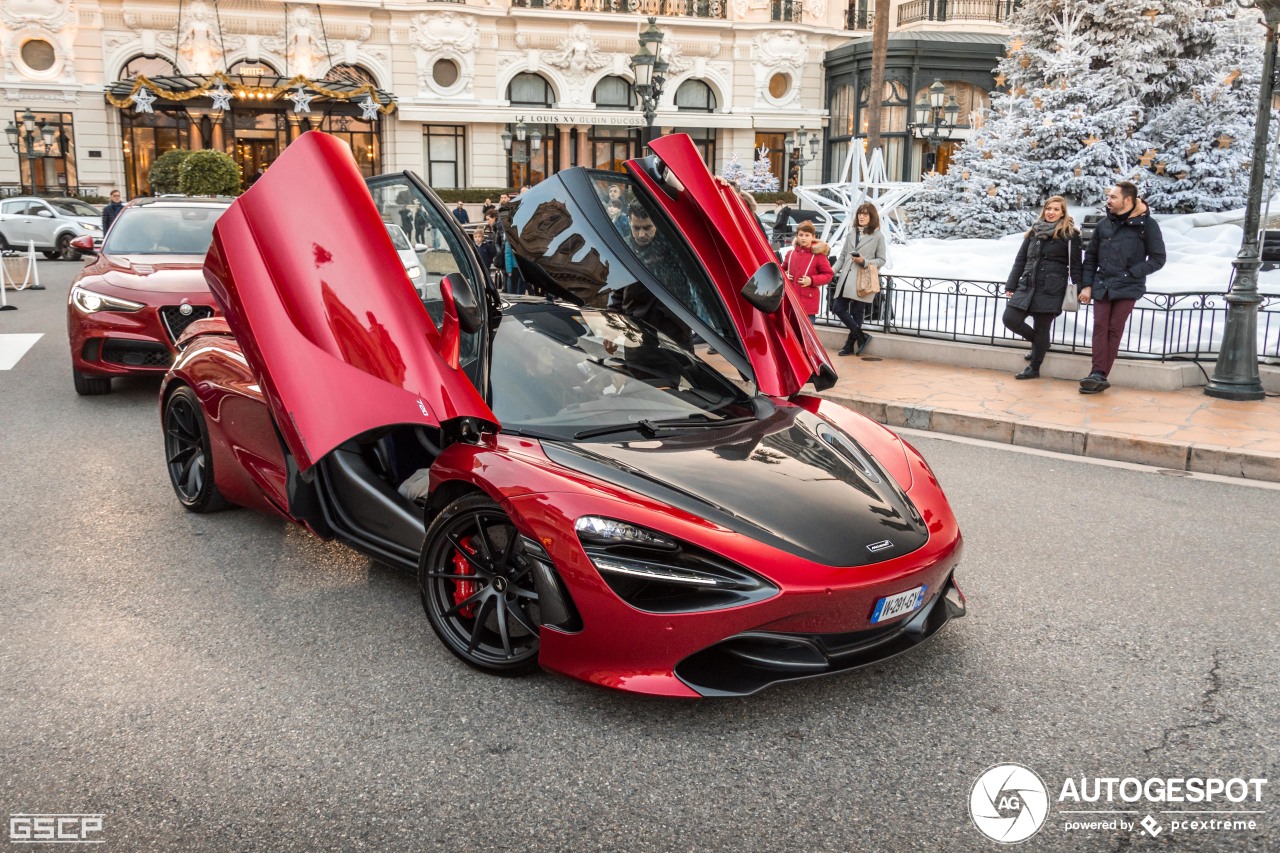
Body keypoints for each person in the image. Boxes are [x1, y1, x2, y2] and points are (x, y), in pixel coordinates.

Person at [1079, 181, 1166, 393]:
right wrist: (1086, 285)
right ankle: (1097, 374)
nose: (1108, 201)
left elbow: (1158, 258)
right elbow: (1090, 257)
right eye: (1108, 197)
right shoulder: (1104, 225)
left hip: (1128, 285)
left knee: (1114, 329)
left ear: (1127, 200)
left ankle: (1099, 375)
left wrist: (1132, 273)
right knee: (1100, 326)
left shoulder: (1147, 225)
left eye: (1112, 197)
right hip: (1102, 284)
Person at [1002, 196, 1083, 380]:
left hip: (1052, 288)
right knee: (1010, 319)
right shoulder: (1034, 232)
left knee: (1042, 328)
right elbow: (1021, 260)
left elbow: (1076, 265)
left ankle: (1034, 368)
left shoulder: (1070, 235)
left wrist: (1081, 288)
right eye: (1048, 208)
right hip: (1027, 285)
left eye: (1056, 209)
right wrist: (1011, 284)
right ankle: (1040, 344)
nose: (1051, 212)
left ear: (1063, 212)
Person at [609, 203, 692, 350]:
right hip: (637, 333)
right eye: (636, 228)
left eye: (647, 228)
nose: (641, 234)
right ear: (629, 222)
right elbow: (618, 293)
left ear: (657, 223)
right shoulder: (624, 249)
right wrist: (612, 329)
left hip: (674, 333)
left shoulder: (674, 246)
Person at [830, 202, 886, 356]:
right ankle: (861, 336)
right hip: (846, 278)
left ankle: (849, 345)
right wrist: (832, 270)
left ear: (872, 217)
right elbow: (842, 257)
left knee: (857, 311)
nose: (861, 216)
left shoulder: (877, 236)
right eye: (860, 213)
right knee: (838, 308)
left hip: (863, 278)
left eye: (865, 214)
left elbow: (881, 260)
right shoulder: (851, 233)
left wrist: (865, 262)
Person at [783, 221, 833, 322]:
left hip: (808, 303)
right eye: (801, 235)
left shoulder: (819, 256)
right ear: (796, 236)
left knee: (806, 335)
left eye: (807, 235)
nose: (803, 238)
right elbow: (782, 269)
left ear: (813, 236)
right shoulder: (790, 253)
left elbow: (828, 275)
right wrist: (784, 275)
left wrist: (811, 280)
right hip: (790, 301)